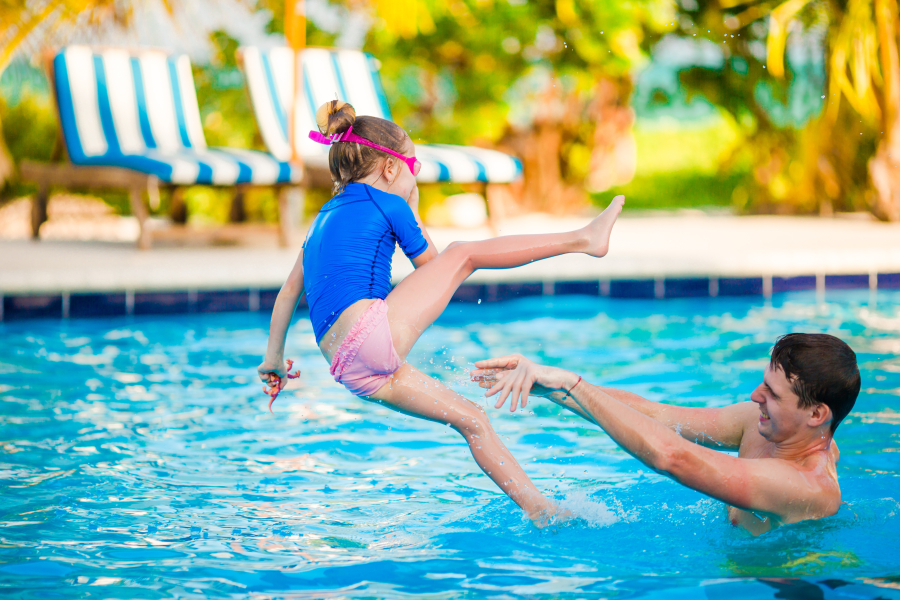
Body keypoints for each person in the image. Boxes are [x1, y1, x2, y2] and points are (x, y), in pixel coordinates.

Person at [258, 99, 625, 524]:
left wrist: (273, 360)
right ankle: (582, 239)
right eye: (412, 168)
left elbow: (287, 293)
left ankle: (540, 510)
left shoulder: (321, 217)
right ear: (392, 170)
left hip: (345, 367)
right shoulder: (389, 203)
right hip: (370, 339)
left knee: (472, 420)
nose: (414, 178)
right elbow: (434, 268)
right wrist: (412, 208)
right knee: (462, 253)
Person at [472, 333, 860, 535]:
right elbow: (654, 415)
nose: (755, 396)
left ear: (816, 414)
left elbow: (673, 456)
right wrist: (545, 382)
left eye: (773, 394)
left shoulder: (806, 486)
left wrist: (572, 384)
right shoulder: (759, 425)